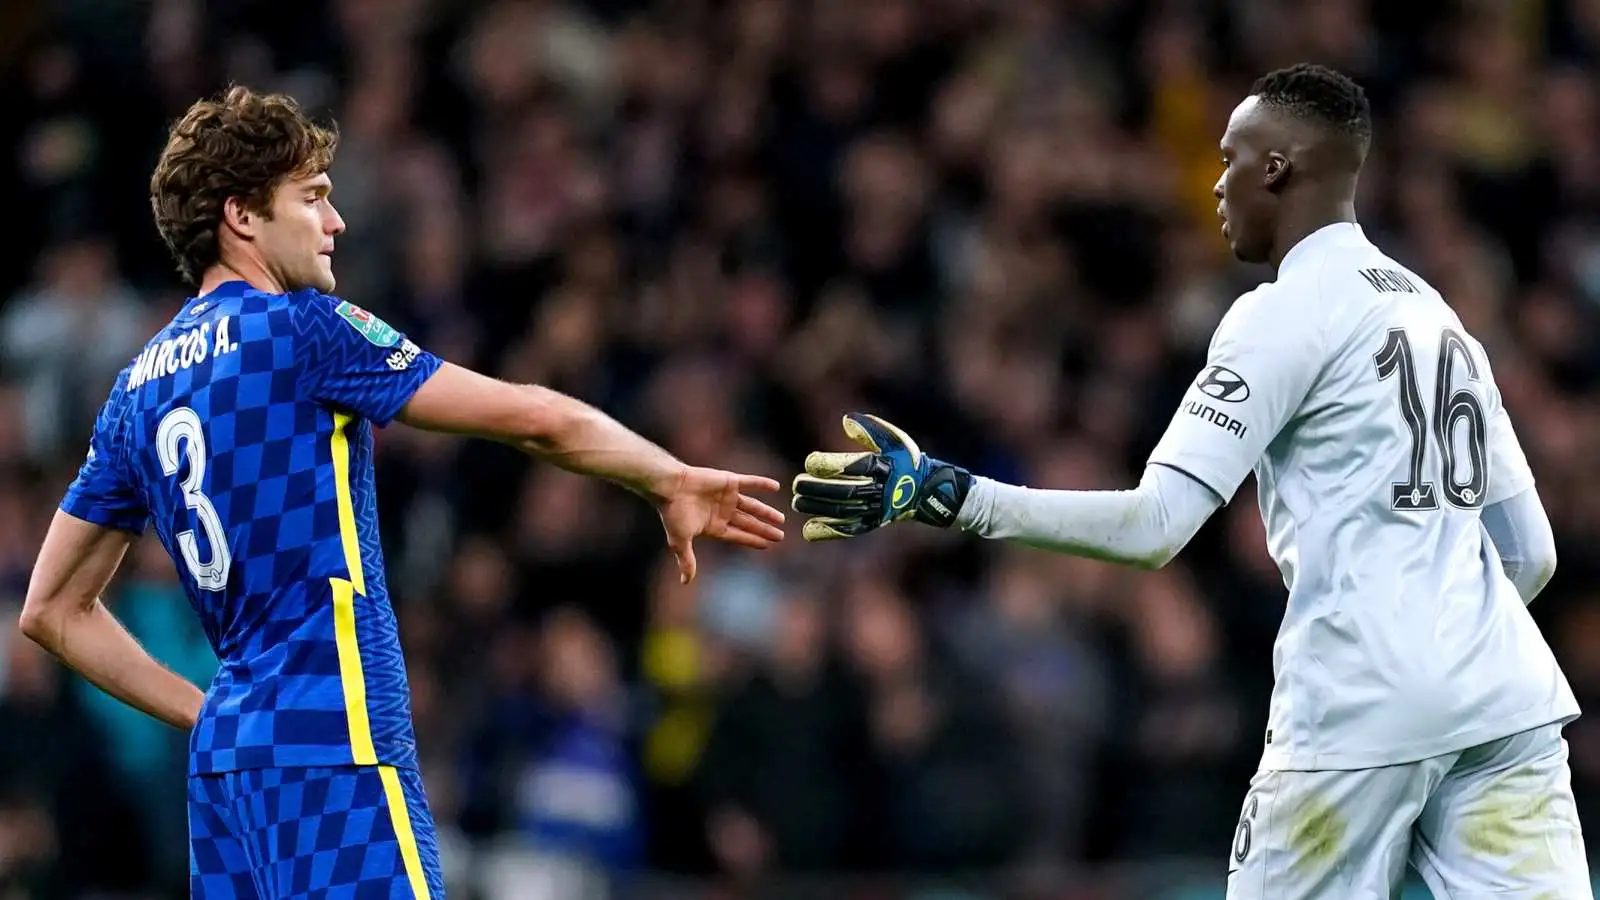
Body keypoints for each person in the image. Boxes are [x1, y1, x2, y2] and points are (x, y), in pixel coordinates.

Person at [792, 64, 1590, 898]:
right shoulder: (1438, 315)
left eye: (1229, 158)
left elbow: (1154, 526)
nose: (1215, 185)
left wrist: (948, 493)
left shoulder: (1283, 312)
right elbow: (1529, 554)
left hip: (1358, 706)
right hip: (1505, 700)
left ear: (1277, 168)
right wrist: (1447, 635)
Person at [19, 85, 786, 899]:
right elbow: (533, 418)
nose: (336, 222)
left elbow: (51, 610)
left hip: (227, 774)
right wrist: (665, 476)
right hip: (333, 733)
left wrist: (204, 713)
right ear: (242, 216)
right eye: (312, 198)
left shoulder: (135, 391)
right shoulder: (301, 329)